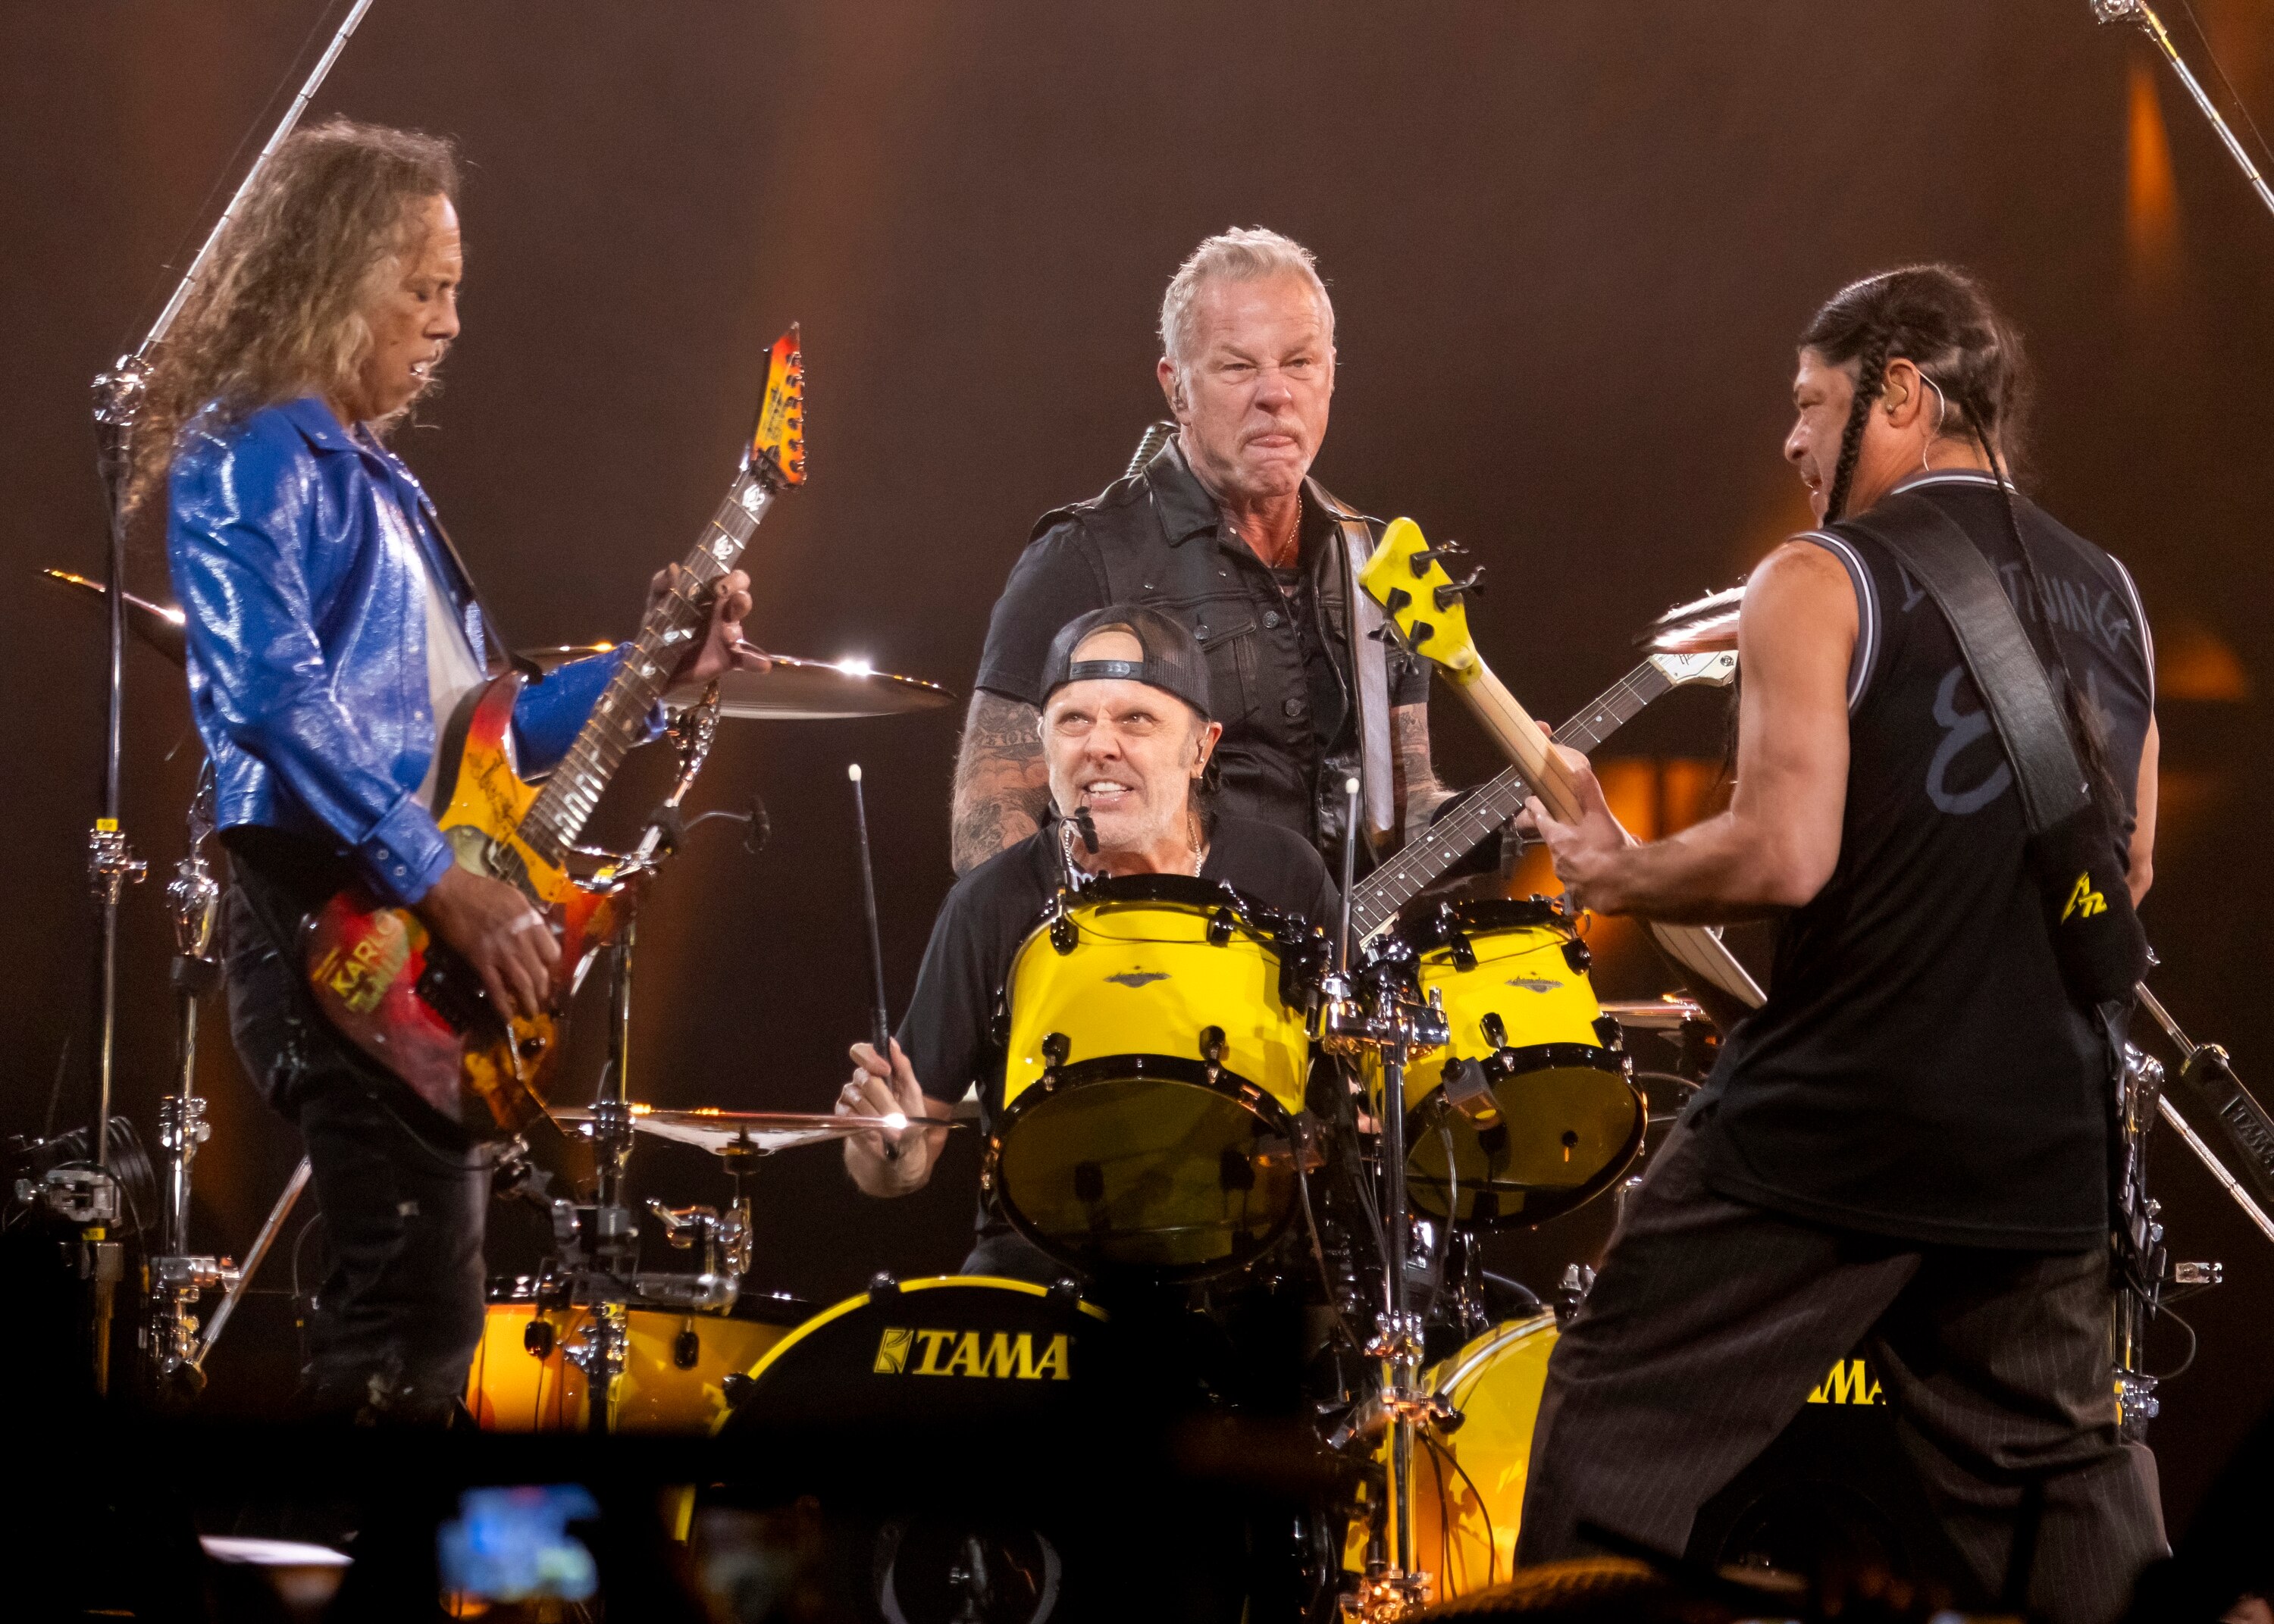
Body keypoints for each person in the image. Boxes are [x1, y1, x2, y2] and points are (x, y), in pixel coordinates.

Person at [1513, 265, 2165, 1619]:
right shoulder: (2113, 590)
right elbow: (2130, 872)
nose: (1793, 440)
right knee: (2058, 1479)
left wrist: (1620, 871)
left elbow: (1783, 851)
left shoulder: (1817, 576)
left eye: (1813, 404)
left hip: (1837, 1124)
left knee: (1619, 1406)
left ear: (1903, 394)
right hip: (2044, 1140)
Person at [150, 120, 763, 1422]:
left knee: (424, 1318)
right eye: (423, 287)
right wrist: (439, 876)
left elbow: (496, 731)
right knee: (402, 1317)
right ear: (330, 275)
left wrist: (654, 667)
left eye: (456, 290)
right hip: (338, 917)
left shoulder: (382, 482)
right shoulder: (253, 448)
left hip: (407, 919)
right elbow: (265, 691)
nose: (449, 321)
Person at [839, 605, 1337, 1283]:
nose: (1099, 745)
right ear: (1044, 744)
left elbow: (1360, 1073)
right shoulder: (991, 902)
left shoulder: (1283, 872)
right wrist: (886, 1149)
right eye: (1073, 720)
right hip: (1042, 1273)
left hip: (1246, 1272)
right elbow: (900, 1157)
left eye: (1136, 719)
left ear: (1201, 748)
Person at [951, 227, 1450, 879]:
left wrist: (1513, 817)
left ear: (1331, 372)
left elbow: (1407, 810)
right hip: (1163, 938)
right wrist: (1097, 931)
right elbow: (987, 822)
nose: (1276, 394)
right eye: (1238, 367)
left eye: (1300, 363)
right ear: (1177, 388)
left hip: (1344, 942)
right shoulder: (1081, 558)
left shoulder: (1381, 564)